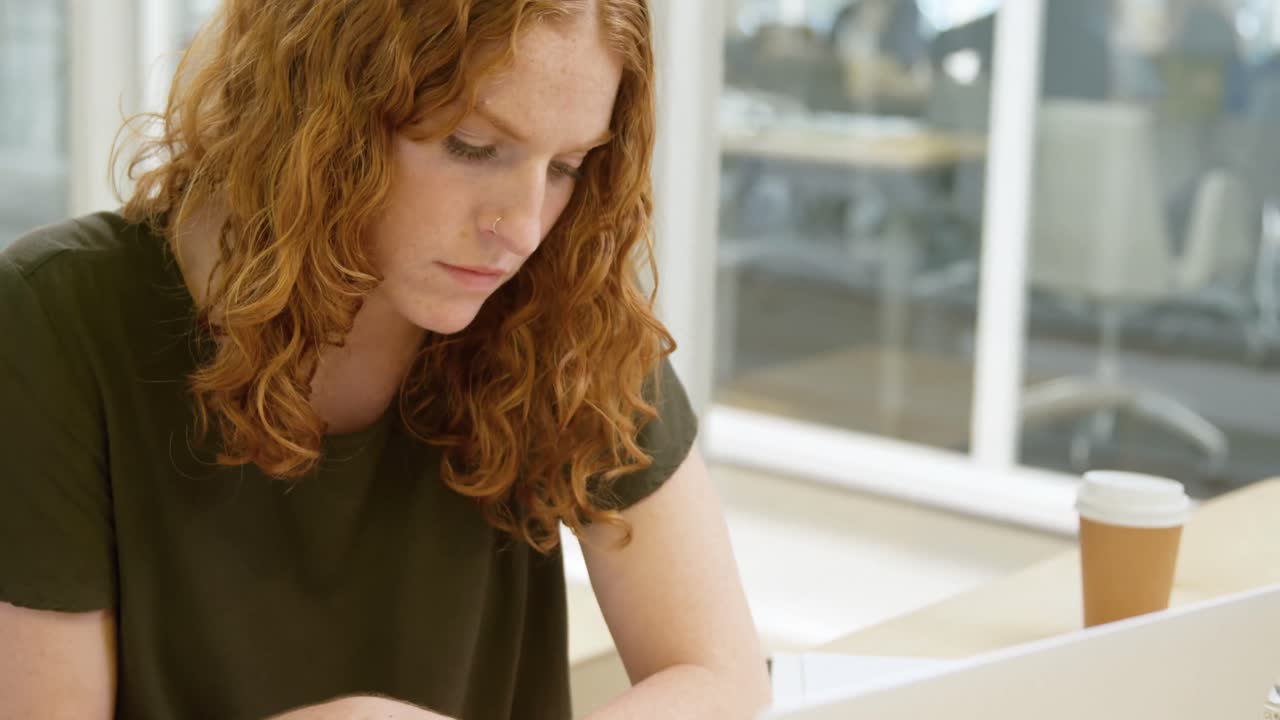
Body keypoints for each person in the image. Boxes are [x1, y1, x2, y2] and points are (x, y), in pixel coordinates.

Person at [0, 1, 771, 718]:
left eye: (566, 166)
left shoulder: (559, 307)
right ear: (317, 110)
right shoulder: (54, 321)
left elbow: (721, 676)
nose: (524, 228)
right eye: (472, 147)